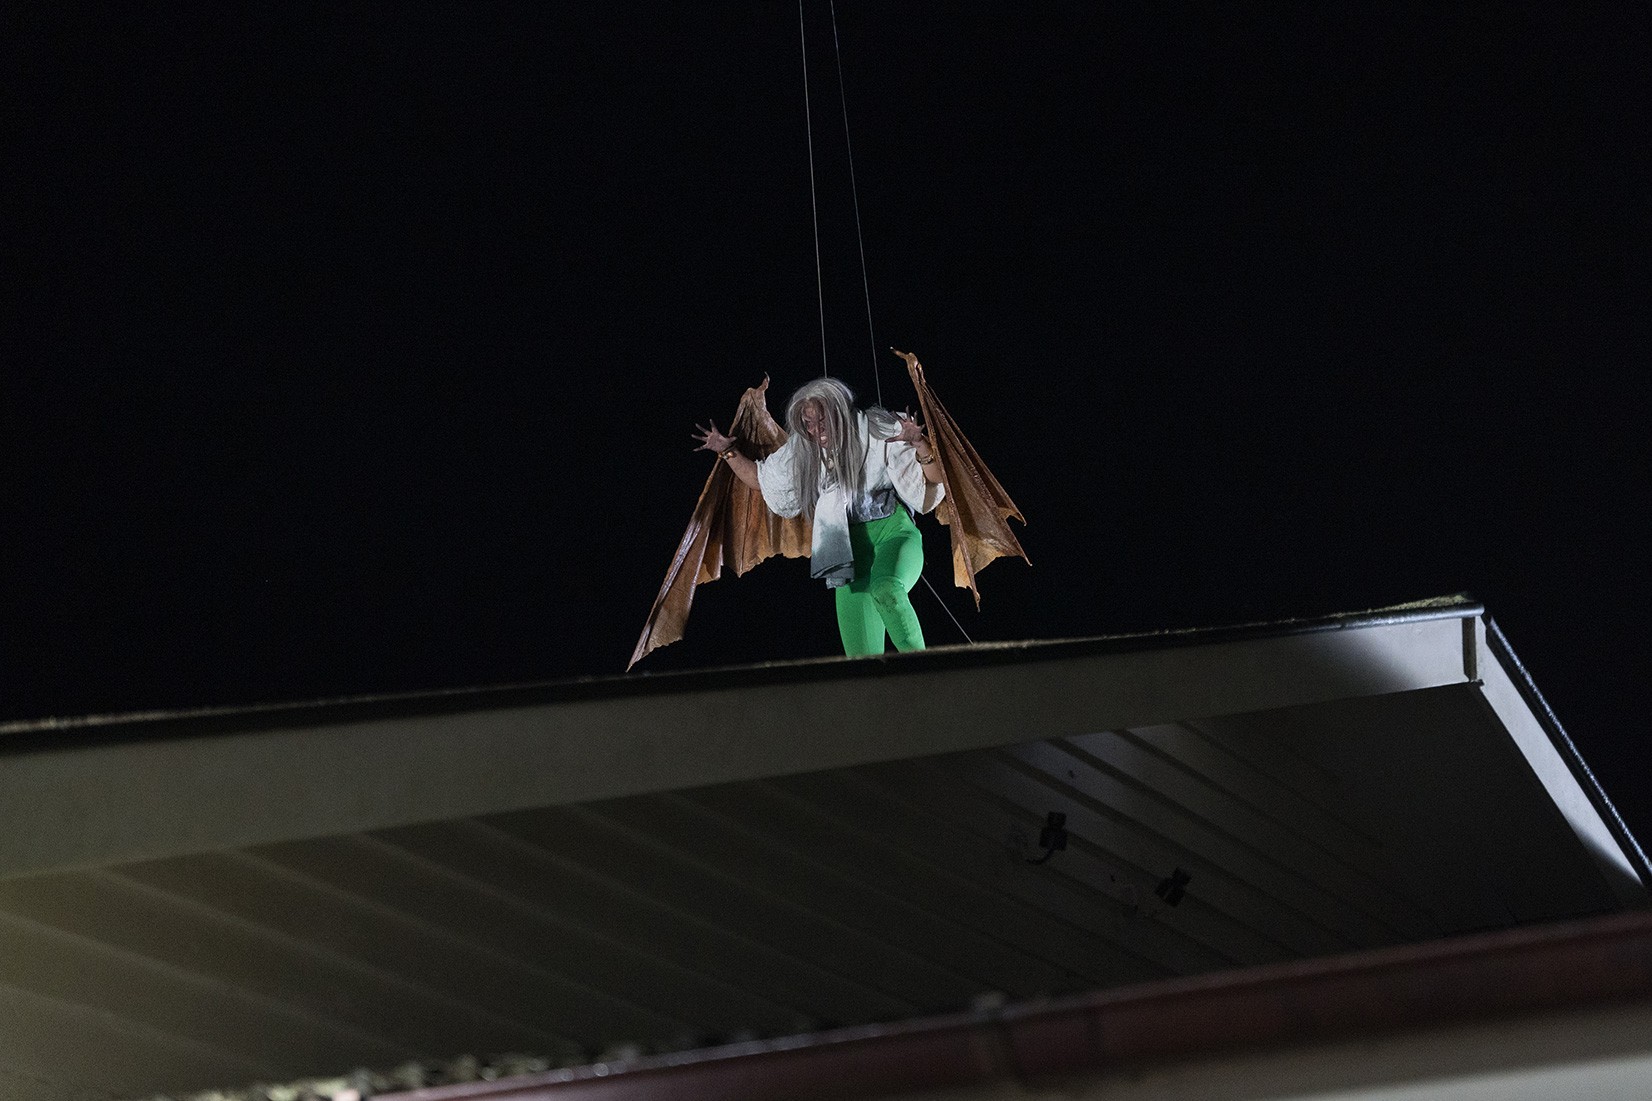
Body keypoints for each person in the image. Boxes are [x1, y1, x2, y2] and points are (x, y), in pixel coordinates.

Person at [693, 377, 946, 656]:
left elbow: (934, 480)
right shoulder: (803, 451)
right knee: (860, 658)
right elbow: (759, 478)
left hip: (894, 536)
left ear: (838, 411)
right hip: (849, 559)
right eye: (809, 424)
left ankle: (925, 674)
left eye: (822, 420)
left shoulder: (877, 428)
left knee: (886, 589)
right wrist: (727, 451)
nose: (817, 430)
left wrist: (920, 443)